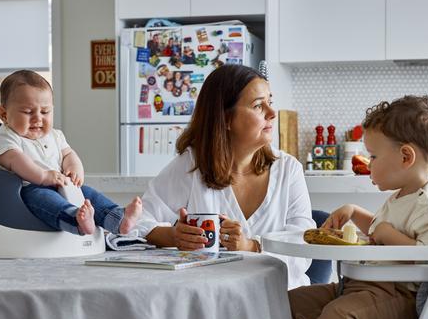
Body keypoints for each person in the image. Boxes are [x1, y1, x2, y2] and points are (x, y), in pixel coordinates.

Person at [289, 95, 428, 319]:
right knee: (288, 303)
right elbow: (378, 228)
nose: (369, 164)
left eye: (374, 156)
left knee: (338, 315)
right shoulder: (403, 196)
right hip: (361, 287)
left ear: (405, 156)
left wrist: (390, 236)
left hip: (399, 298)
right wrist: (354, 212)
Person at [133, 64, 314, 289]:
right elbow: (138, 222)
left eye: (270, 101)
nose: (272, 113)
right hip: (211, 304)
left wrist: (251, 246)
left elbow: (304, 245)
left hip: (281, 305)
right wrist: (174, 236)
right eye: (258, 105)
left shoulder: (289, 170)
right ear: (226, 120)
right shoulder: (192, 165)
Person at [0, 70, 142, 236]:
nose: (38, 118)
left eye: (45, 112)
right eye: (27, 112)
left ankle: (118, 219)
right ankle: (76, 221)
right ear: (3, 114)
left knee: (88, 194)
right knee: (46, 201)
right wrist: (43, 177)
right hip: (27, 190)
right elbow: (15, 160)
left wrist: (74, 169)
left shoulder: (55, 135)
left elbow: (68, 154)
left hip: (61, 184)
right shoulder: (6, 138)